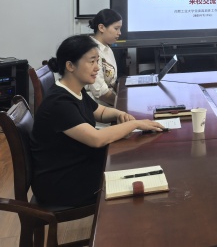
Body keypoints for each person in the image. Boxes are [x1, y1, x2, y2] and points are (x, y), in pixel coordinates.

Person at [30, 35, 165, 207]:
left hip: (77, 165)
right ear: (70, 66)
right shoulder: (59, 103)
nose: (97, 68)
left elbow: (100, 112)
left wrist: (119, 114)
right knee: (138, 179)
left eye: (98, 61)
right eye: (92, 61)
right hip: (62, 183)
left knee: (136, 164)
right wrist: (135, 124)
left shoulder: (74, 89)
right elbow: (97, 139)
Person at [86, 8, 122, 106]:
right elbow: (100, 92)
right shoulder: (91, 51)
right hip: (97, 106)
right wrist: (121, 103)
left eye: (120, 29)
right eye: (116, 28)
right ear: (101, 28)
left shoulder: (107, 48)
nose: (119, 33)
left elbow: (112, 82)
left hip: (108, 103)